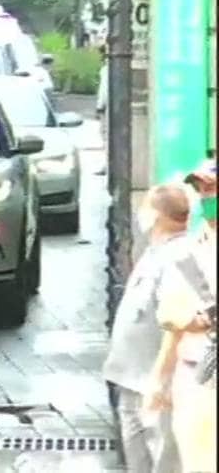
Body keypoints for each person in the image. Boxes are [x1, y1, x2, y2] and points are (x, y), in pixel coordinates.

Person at [103, 183, 193, 473]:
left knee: (163, 460)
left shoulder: (179, 257)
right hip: (130, 377)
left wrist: (160, 378)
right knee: (138, 460)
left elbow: (175, 324)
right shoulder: (154, 252)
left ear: (156, 215)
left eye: (146, 209)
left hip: (155, 383)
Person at [146, 168, 218, 473]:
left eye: (213, 189)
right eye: (202, 190)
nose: (207, 197)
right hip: (196, 376)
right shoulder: (194, 249)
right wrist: (159, 379)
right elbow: (175, 325)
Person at [95, 45, 108, 176]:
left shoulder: (106, 69)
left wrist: (99, 106)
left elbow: (103, 91)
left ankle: (107, 164)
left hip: (107, 108)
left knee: (106, 136)